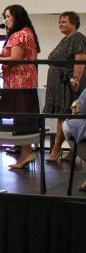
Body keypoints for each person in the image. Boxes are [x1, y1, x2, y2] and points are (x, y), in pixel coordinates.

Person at [0, 4, 41, 169]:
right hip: (26, 82)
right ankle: (25, 152)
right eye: (4, 16)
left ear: (17, 17)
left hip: (19, 83)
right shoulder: (28, 32)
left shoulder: (19, 35)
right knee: (23, 118)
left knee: (22, 118)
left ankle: (26, 153)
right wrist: (0, 55)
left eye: (8, 16)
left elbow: (16, 58)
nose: (6, 20)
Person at [43, 11, 86, 162]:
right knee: (65, 116)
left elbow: (79, 61)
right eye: (59, 22)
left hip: (68, 84)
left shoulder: (77, 38)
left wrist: (75, 81)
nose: (60, 24)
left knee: (66, 115)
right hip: (59, 83)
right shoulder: (65, 39)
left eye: (64, 22)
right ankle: (73, 150)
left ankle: (56, 149)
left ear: (74, 24)